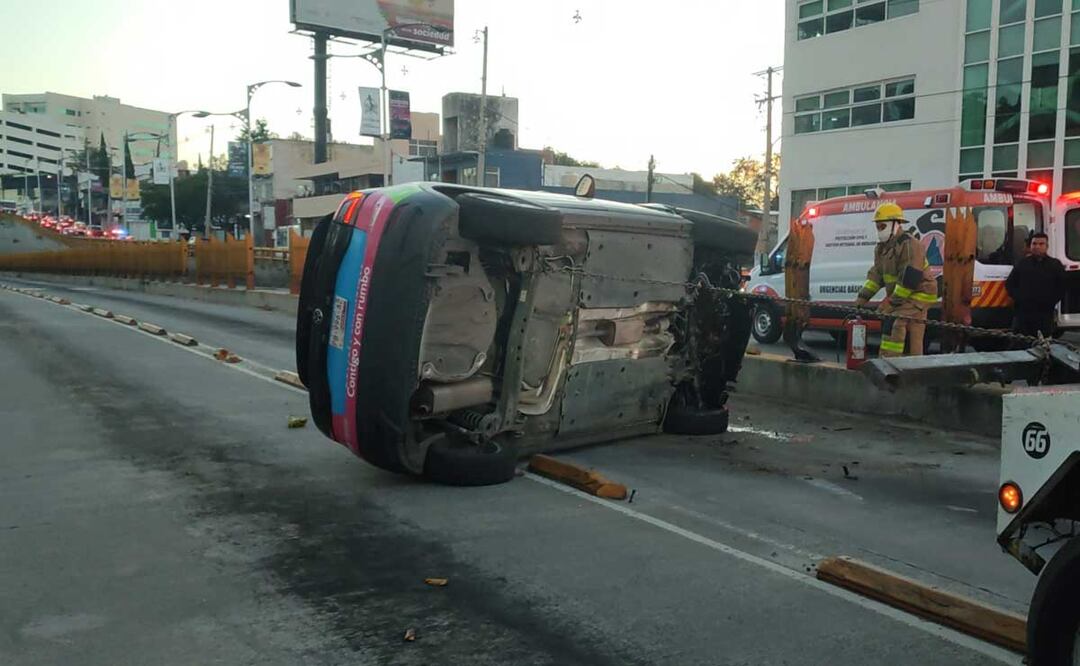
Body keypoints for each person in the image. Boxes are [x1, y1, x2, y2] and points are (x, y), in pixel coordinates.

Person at [855, 203, 938, 357]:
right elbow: (876, 276)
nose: (879, 230)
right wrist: (861, 298)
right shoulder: (881, 248)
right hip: (902, 296)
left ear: (896, 224)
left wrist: (891, 303)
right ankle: (913, 365)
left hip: (920, 293)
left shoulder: (910, 245)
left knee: (894, 322)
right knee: (914, 332)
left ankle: (890, 362)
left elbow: (910, 280)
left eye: (882, 226)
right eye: (877, 227)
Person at [1005, 232, 1065, 339]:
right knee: (1021, 343)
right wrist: (1020, 298)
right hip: (1023, 314)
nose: (1037, 247)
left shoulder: (1055, 265)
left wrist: (1050, 301)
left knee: (1043, 343)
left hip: (1044, 314)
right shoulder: (1022, 264)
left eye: (1041, 244)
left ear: (1047, 247)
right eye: (1034, 244)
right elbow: (1010, 284)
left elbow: (1062, 287)